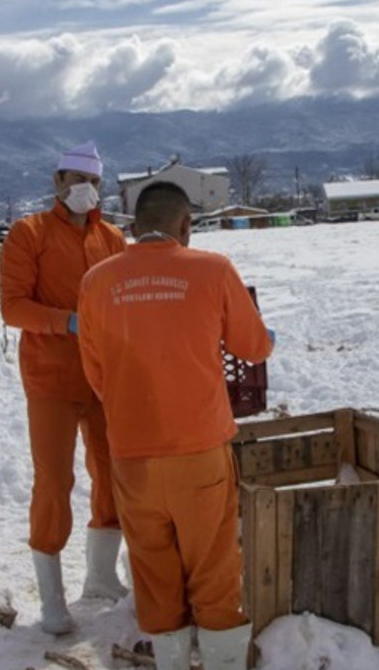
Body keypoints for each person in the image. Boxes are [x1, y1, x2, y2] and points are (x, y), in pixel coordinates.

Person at [77, 180, 274, 670]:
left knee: (154, 571)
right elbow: (252, 348)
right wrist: (266, 337)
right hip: (199, 449)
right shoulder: (212, 269)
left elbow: (95, 372)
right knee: (214, 569)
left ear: (135, 225)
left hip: (131, 455)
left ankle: (169, 660)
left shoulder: (96, 282)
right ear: (185, 226)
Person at [0, 141, 129, 634]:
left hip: (105, 377)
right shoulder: (27, 233)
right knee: (53, 482)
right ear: (56, 182)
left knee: (113, 473)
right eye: (75, 180)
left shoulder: (112, 237)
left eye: (93, 181)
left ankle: (100, 577)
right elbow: (13, 307)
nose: (85, 190)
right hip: (50, 378)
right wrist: (66, 321)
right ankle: (52, 598)